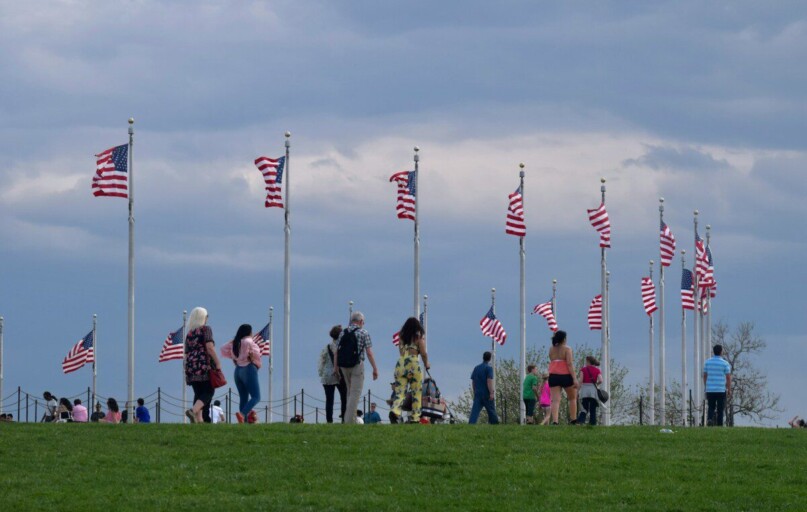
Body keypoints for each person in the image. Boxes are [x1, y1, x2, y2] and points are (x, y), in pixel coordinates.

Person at [333, 311, 379, 424]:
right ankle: (348, 421)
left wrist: (336, 368)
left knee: (349, 391)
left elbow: (336, 352)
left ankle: (351, 420)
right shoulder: (363, 332)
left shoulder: (343, 333)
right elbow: (369, 353)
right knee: (355, 393)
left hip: (343, 366)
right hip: (357, 365)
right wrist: (375, 368)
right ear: (361, 321)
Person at [389, 316, 430, 424]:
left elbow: (401, 353)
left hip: (401, 363)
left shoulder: (401, 338)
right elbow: (424, 353)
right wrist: (426, 364)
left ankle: (395, 411)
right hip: (413, 363)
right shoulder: (418, 337)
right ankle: (415, 418)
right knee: (416, 391)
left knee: (400, 391)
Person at [184, 306, 222, 424]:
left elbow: (186, 353)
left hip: (191, 366)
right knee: (209, 391)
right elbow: (210, 348)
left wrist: (186, 368)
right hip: (204, 365)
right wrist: (218, 362)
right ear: (203, 318)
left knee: (198, 393)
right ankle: (193, 411)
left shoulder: (189, 334)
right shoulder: (206, 330)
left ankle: (199, 420)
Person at [221, 323, 262, 424]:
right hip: (248, 368)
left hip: (238, 370)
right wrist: (254, 361)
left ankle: (243, 422)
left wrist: (234, 357)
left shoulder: (235, 342)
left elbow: (223, 349)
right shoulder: (249, 341)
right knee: (256, 397)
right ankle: (243, 414)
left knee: (243, 397)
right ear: (249, 332)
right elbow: (257, 353)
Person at [548, 330, 579, 425]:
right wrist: (574, 378)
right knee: (572, 398)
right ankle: (573, 419)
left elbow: (551, 360)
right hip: (565, 375)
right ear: (564, 339)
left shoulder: (551, 349)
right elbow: (569, 363)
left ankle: (555, 421)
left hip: (553, 375)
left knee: (555, 400)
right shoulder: (567, 349)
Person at [319, 325, 347, 423]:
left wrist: (321, 373)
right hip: (339, 375)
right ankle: (344, 419)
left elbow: (321, 361)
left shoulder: (327, 347)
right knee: (344, 398)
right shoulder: (342, 347)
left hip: (327, 376)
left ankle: (329, 421)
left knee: (329, 400)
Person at [703, 344, 732, 427]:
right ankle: (719, 425)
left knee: (711, 407)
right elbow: (728, 377)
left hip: (710, 389)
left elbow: (705, 375)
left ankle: (710, 419)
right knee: (720, 409)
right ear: (721, 352)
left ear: (713, 351)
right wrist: (729, 389)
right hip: (720, 389)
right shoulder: (725, 363)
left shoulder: (707, 362)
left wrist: (706, 385)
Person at [469, 351, 499, 424]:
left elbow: (473, 382)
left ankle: (471, 424)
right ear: (489, 359)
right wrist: (491, 393)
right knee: (491, 411)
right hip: (486, 393)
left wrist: (475, 391)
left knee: (475, 412)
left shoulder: (476, 368)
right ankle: (495, 425)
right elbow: (489, 381)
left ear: (483, 357)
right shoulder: (488, 368)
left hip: (478, 393)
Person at [578, 356, 603, 426]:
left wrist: (577, 390)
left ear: (588, 361)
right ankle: (593, 423)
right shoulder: (597, 370)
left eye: (586, 361)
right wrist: (596, 384)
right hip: (593, 390)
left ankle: (581, 421)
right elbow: (601, 380)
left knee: (584, 407)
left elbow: (580, 381)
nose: (585, 363)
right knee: (593, 408)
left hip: (585, 390)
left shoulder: (583, 369)